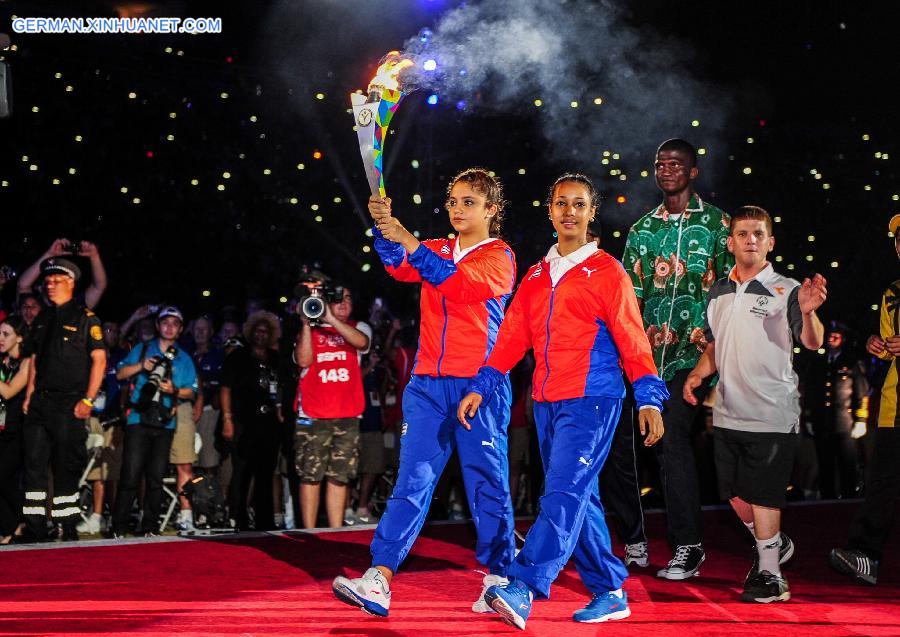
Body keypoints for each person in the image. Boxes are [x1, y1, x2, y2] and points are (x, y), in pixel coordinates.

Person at [454, 174, 666, 629]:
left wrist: (649, 397)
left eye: (579, 204)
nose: (569, 211)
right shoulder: (535, 274)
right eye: (560, 203)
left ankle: (523, 584)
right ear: (550, 211)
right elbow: (511, 339)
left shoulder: (608, 271)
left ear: (592, 212)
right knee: (578, 498)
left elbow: (632, 337)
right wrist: (480, 385)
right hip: (546, 402)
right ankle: (610, 590)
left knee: (563, 493)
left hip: (593, 399)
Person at [332, 168, 517, 617]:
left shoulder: (500, 256)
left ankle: (501, 579)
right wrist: (385, 229)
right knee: (412, 482)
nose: (456, 209)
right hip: (428, 386)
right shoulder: (434, 247)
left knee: (487, 484)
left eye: (468, 202)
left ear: (491, 210)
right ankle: (380, 576)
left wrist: (407, 238)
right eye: (452, 201)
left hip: (480, 384)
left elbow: (457, 285)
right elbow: (398, 266)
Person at [683, 206, 825, 602]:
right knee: (732, 492)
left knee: (763, 494)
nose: (750, 240)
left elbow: (811, 341)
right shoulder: (718, 292)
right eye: (743, 233)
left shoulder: (788, 289)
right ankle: (773, 542)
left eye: (758, 234)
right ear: (730, 242)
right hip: (727, 410)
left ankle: (771, 574)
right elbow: (715, 344)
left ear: (770, 242)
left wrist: (810, 314)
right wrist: (697, 374)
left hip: (772, 412)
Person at [621, 138, 733, 578]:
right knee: (644, 448)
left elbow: (732, 290)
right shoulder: (642, 230)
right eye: (660, 164)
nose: (667, 170)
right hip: (649, 361)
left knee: (672, 442)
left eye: (676, 164)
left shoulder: (719, 225)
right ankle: (637, 540)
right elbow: (629, 299)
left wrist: (719, 353)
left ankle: (688, 544)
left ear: (692, 172)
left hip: (697, 353)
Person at [830, 214, 900, 586]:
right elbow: (890, 347)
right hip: (893, 406)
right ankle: (865, 556)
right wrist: (878, 346)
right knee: (882, 483)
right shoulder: (892, 292)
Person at [21, 257, 107, 542]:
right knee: (33, 465)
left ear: (71, 283)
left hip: (70, 403)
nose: (50, 286)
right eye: (47, 282)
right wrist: (30, 393)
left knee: (66, 467)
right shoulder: (43, 319)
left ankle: (67, 526)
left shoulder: (86, 318)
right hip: (40, 403)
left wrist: (89, 400)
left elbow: (99, 360)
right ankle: (35, 528)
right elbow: (35, 358)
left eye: (57, 281)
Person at [111, 306, 197, 537]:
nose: (169, 327)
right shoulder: (142, 349)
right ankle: (118, 527)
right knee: (130, 475)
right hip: (138, 418)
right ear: (158, 326)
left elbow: (192, 391)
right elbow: (118, 374)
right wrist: (142, 366)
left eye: (175, 324)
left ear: (180, 330)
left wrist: (175, 389)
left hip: (165, 422)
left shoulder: (184, 358)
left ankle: (150, 527)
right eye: (165, 323)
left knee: (155, 478)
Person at [294, 285, 371, 529]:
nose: (343, 303)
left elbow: (362, 342)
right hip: (314, 415)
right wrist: (308, 324)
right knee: (311, 474)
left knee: (340, 476)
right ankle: (309, 531)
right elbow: (303, 360)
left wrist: (330, 318)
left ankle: (335, 532)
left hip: (347, 414)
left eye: (348, 298)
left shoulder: (358, 327)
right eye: (337, 299)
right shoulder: (310, 331)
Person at [220, 311, 284, 531]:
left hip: (269, 424)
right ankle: (238, 519)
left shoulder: (276, 359)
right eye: (258, 330)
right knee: (242, 472)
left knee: (265, 473)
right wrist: (227, 419)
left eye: (266, 332)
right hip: (243, 422)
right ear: (250, 332)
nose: (261, 334)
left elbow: (283, 388)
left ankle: (264, 521)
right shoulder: (237, 357)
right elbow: (225, 388)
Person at [807, 321, 869, 499]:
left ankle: (849, 498)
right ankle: (827, 499)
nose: (832, 338)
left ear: (843, 339)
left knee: (847, 464)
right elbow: (811, 392)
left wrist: (860, 420)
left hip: (844, 423)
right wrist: (809, 418)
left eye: (836, 336)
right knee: (825, 463)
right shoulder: (818, 362)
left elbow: (861, 393)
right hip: (822, 422)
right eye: (830, 335)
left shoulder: (851, 362)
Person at [77, 320, 128, 534]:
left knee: (113, 472)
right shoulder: (91, 357)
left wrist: (122, 416)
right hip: (95, 418)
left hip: (114, 420)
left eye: (116, 330)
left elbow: (125, 388)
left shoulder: (121, 357)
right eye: (109, 329)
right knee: (96, 469)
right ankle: (97, 515)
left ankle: (113, 516)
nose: (113, 333)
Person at [0, 316, 31, 544]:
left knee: (4, 477)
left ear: (19, 337)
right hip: (1, 429)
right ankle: (10, 528)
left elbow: (10, 391)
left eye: (6, 334)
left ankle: (23, 521)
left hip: (18, 430)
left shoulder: (28, 362)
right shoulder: (2, 362)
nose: (0, 339)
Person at [17, 239, 108, 310]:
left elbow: (99, 286)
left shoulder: (76, 307)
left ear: (70, 284)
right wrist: (49, 254)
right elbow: (23, 285)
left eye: (58, 280)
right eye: (49, 280)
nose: (52, 284)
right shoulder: (34, 308)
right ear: (41, 287)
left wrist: (94, 256)